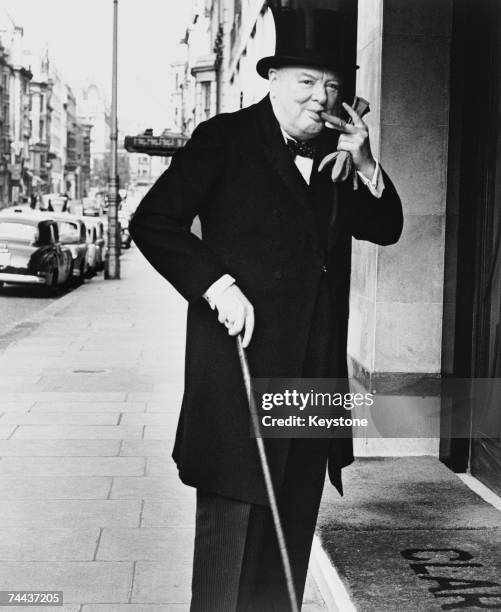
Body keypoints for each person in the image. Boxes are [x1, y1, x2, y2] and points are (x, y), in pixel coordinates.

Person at [130, 5, 403, 611]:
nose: (319, 97)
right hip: (239, 385)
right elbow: (153, 221)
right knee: (230, 563)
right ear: (273, 79)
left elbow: (386, 229)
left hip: (308, 393)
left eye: (332, 86)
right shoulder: (224, 138)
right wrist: (216, 284)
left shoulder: (338, 154)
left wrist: (364, 162)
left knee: (286, 561)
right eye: (306, 82)